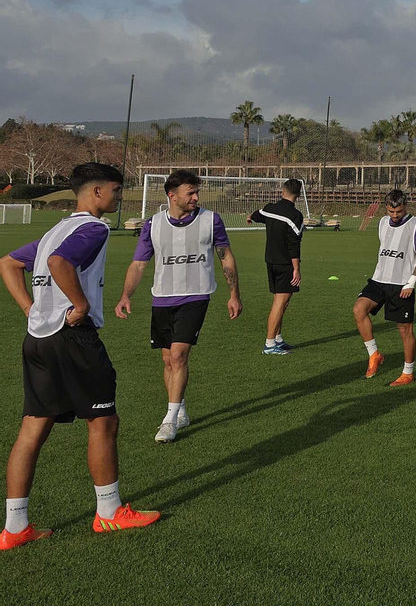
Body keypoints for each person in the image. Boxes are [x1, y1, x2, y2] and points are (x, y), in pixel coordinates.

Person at [0, 163, 160, 549]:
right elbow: (59, 264)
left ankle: (15, 527)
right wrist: (80, 302)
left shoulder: (55, 229)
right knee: (103, 421)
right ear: (98, 192)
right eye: (117, 190)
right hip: (72, 338)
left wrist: (30, 310)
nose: (120, 197)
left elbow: (8, 263)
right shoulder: (94, 227)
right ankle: (109, 513)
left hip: (38, 338)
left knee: (33, 426)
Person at [116, 170, 242, 443]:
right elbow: (139, 264)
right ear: (172, 196)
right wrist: (126, 295)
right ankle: (180, 407)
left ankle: (169, 420)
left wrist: (234, 294)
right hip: (161, 298)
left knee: (178, 356)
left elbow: (226, 257)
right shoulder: (153, 224)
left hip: (196, 297)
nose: (196, 197)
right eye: (191, 193)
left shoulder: (211, 220)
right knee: (166, 359)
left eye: (197, 192)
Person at [352, 190, 416, 386]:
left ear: (406, 207)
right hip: (379, 280)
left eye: (399, 212)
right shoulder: (382, 222)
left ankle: (408, 373)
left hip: (402, 285)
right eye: (391, 211)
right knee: (359, 310)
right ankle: (374, 354)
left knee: (404, 330)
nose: (395, 216)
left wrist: (411, 282)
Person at [246, 178, 304, 355]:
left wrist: (250, 217)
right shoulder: (295, 216)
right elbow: (294, 244)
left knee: (282, 301)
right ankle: (270, 344)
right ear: (298, 195)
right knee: (281, 302)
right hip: (285, 264)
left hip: (270, 262)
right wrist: (296, 268)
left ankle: (277, 339)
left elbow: (256, 215)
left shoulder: (269, 208)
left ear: (282, 192)